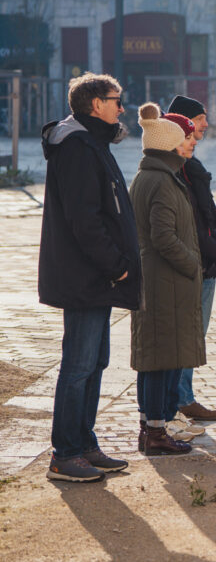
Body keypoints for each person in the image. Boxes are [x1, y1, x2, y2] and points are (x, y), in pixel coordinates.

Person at [39, 73, 140, 482]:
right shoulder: (78, 145)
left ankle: (84, 443)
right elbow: (85, 218)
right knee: (79, 365)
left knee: (95, 362)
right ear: (95, 104)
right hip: (86, 276)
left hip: (96, 277)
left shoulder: (92, 140)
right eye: (116, 100)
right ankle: (65, 453)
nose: (122, 107)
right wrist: (115, 264)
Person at [129, 104, 205, 456]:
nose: (189, 144)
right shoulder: (161, 180)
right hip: (166, 282)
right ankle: (156, 432)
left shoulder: (152, 175)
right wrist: (192, 263)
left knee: (153, 357)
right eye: (183, 140)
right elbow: (163, 237)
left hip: (160, 281)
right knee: (162, 359)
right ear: (168, 146)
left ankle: (150, 427)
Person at [167, 95, 216, 423]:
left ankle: (181, 396)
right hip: (195, 265)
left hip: (204, 263)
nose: (205, 124)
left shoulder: (189, 166)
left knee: (193, 334)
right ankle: (177, 399)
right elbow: (187, 220)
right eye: (200, 119)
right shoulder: (175, 170)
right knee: (187, 334)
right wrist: (214, 247)